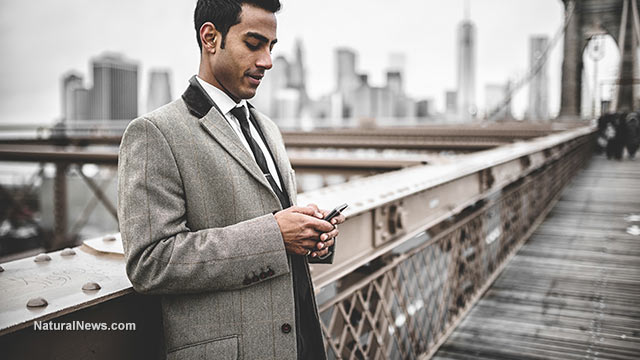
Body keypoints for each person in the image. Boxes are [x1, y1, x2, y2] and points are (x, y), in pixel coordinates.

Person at [117, 1, 345, 359]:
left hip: (300, 344)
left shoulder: (268, 128)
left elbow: (274, 229)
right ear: (210, 38)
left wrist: (311, 236)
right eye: (254, 44)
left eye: (271, 47)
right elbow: (150, 263)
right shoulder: (155, 132)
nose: (267, 61)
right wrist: (275, 234)